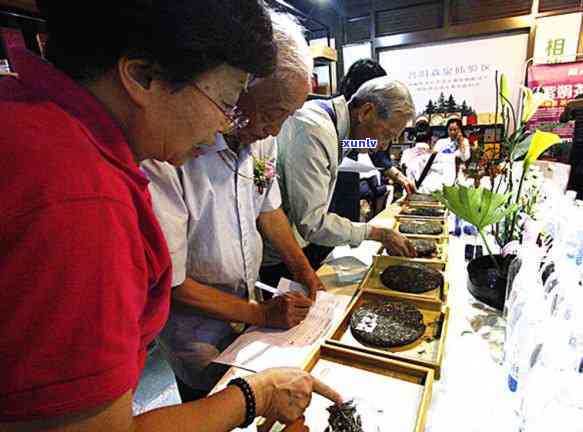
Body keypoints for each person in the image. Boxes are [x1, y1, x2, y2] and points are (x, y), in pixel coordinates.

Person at [0, 2, 341, 431]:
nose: (223, 128)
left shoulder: (37, 122)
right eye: (227, 101)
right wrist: (259, 395)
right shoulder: (83, 201)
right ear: (144, 77)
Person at [142, 10, 324, 401]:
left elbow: (268, 208)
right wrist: (260, 314)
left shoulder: (260, 137)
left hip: (250, 314)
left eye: (287, 117)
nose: (275, 129)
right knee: (209, 404)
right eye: (272, 113)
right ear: (238, 86)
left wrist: (304, 269)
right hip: (197, 336)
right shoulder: (170, 149)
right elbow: (169, 283)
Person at [260, 77, 417, 287]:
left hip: (297, 240)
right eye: (387, 135)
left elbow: (354, 145)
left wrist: (393, 172)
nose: (383, 146)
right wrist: (378, 233)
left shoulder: (338, 125)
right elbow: (312, 223)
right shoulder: (315, 130)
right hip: (278, 253)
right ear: (366, 112)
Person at [338, 59, 415, 194]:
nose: (383, 146)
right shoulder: (330, 124)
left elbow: (373, 145)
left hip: (349, 178)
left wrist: (398, 176)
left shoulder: (363, 126)